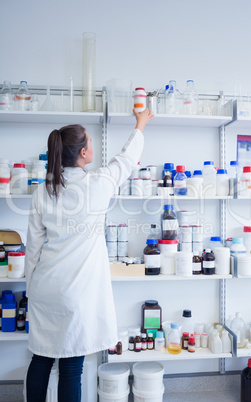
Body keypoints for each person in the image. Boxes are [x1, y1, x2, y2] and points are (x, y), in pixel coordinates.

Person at [25, 108, 154, 402]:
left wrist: (33, 290)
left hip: (44, 288)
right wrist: (140, 124)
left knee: (41, 358)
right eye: (91, 144)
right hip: (76, 294)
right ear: (83, 153)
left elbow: (33, 248)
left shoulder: (42, 192)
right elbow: (126, 159)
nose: (93, 148)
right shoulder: (97, 184)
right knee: (71, 367)